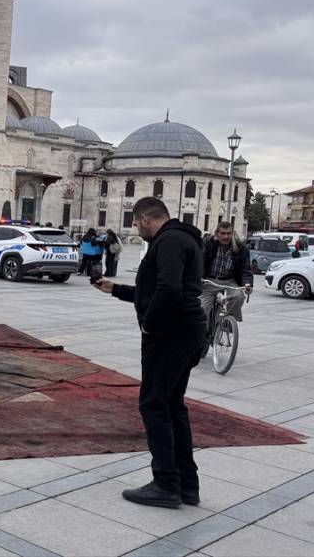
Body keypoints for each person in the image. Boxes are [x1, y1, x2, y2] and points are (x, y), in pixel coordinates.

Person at [93, 197, 206, 509]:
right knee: (172, 405)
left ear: (144, 218)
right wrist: (115, 289)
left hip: (171, 332)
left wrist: (150, 326)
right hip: (187, 329)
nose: (136, 229)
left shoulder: (167, 240)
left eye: (135, 222)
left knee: (154, 404)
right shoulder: (185, 238)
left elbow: (168, 290)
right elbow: (156, 290)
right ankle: (186, 484)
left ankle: (166, 484)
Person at [200, 222, 253, 326]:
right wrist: (199, 277)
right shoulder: (207, 243)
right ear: (216, 233)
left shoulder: (240, 248)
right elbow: (199, 262)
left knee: (239, 297)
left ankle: (225, 322)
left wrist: (247, 283)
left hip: (229, 281)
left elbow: (246, 269)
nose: (226, 236)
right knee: (202, 309)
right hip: (209, 281)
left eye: (229, 233)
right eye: (223, 233)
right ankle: (204, 333)